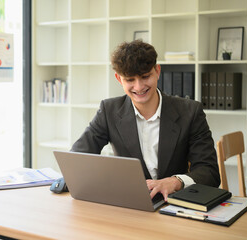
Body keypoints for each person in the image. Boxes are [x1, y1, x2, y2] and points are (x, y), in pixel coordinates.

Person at [71, 40, 220, 201]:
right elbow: (77, 159)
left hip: (173, 205)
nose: (139, 86)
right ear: (119, 79)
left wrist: (175, 182)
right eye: (130, 80)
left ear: (157, 71)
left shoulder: (190, 112)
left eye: (145, 76)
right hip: (129, 204)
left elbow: (209, 172)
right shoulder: (109, 111)